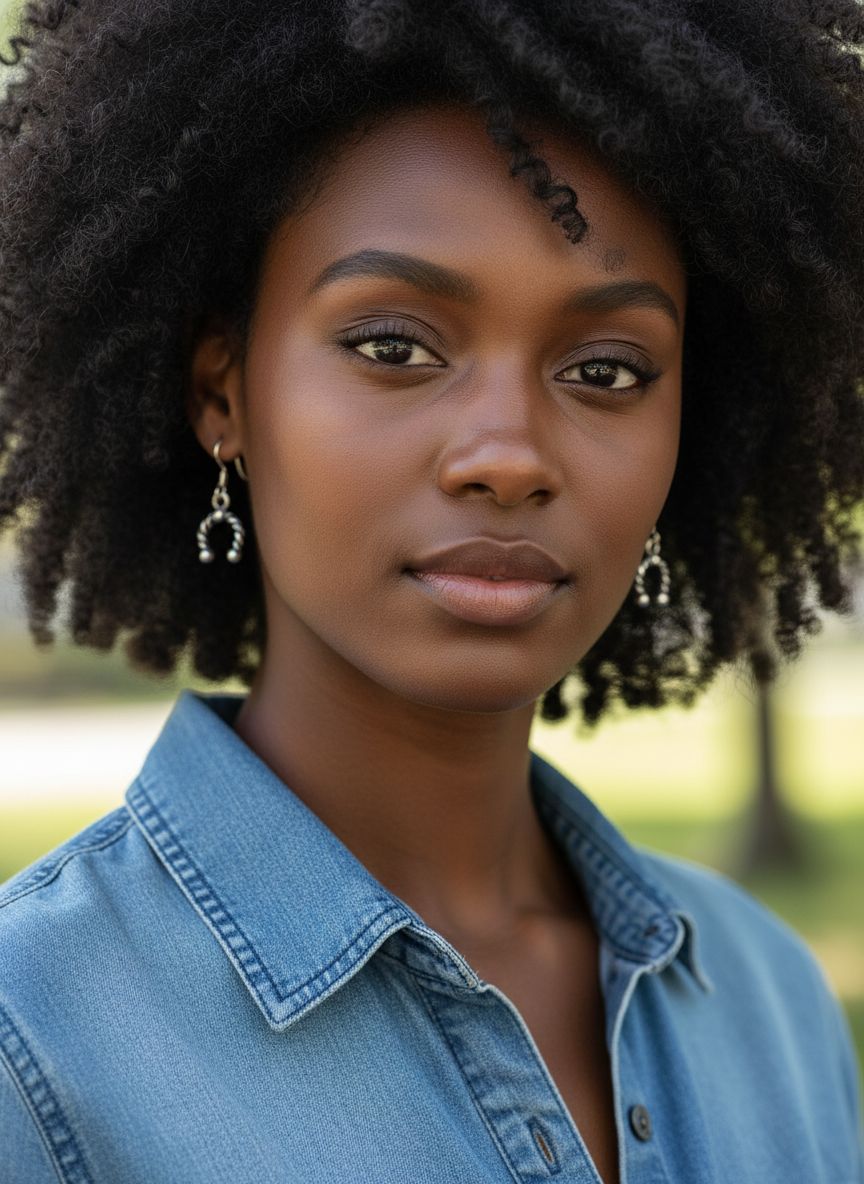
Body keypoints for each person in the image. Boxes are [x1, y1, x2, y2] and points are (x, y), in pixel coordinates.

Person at [0, 1, 862, 1181]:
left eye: (605, 369)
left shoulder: (771, 1003)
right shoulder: (33, 1043)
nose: (508, 453)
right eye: (395, 345)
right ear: (223, 392)